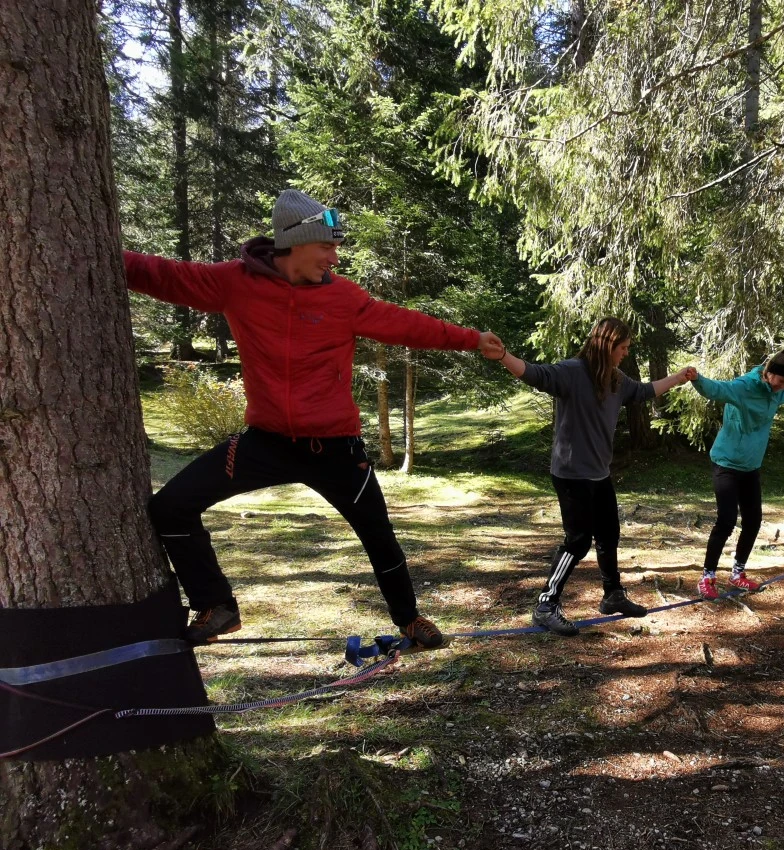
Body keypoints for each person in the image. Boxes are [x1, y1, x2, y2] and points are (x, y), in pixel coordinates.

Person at [125, 189, 506, 646]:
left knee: (378, 534)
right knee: (170, 507)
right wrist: (102, 248)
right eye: (327, 246)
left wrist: (471, 339)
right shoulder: (233, 283)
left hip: (335, 449)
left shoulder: (343, 298)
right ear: (295, 242)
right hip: (264, 443)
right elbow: (163, 275)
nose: (334, 257)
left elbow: (404, 323)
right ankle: (216, 606)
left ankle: (408, 619)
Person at [495, 318, 696, 636]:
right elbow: (535, 373)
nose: (625, 354)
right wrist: (504, 355)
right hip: (572, 473)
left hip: (598, 474)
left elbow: (644, 391)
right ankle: (546, 605)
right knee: (578, 541)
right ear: (608, 346)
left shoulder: (615, 379)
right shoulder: (572, 372)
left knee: (608, 533)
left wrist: (678, 377)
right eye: (623, 348)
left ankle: (613, 595)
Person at [690, 349, 784, 599]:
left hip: (751, 467)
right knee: (727, 521)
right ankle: (707, 576)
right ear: (768, 373)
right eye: (781, 381)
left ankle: (737, 574)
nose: (783, 387)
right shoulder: (744, 387)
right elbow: (716, 389)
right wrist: (696, 378)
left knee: (753, 522)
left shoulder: (779, 391)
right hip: (727, 464)